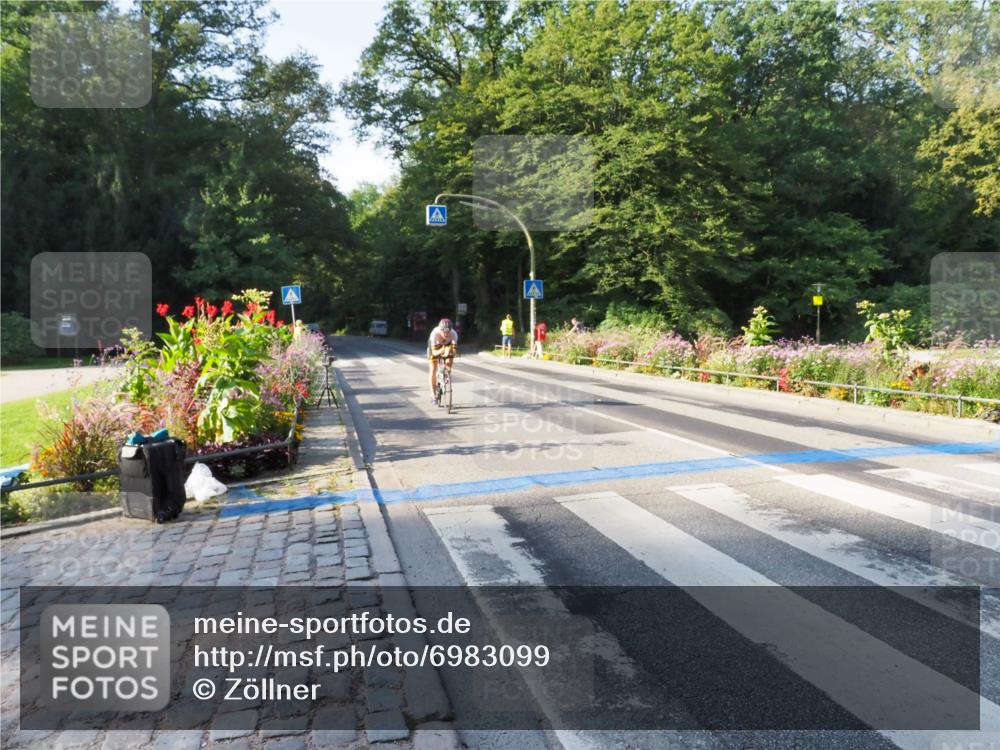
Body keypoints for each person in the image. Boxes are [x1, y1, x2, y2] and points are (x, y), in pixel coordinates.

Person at [427, 318, 458, 405]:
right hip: (436, 345)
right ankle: (433, 395)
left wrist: (450, 352)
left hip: (447, 344)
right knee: (433, 368)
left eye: (448, 332)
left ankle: (446, 374)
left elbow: (454, 352)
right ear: (440, 330)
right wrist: (442, 350)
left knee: (450, 358)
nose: (446, 334)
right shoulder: (434, 334)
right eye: (444, 332)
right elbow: (434, 352)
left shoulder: (454, 334)